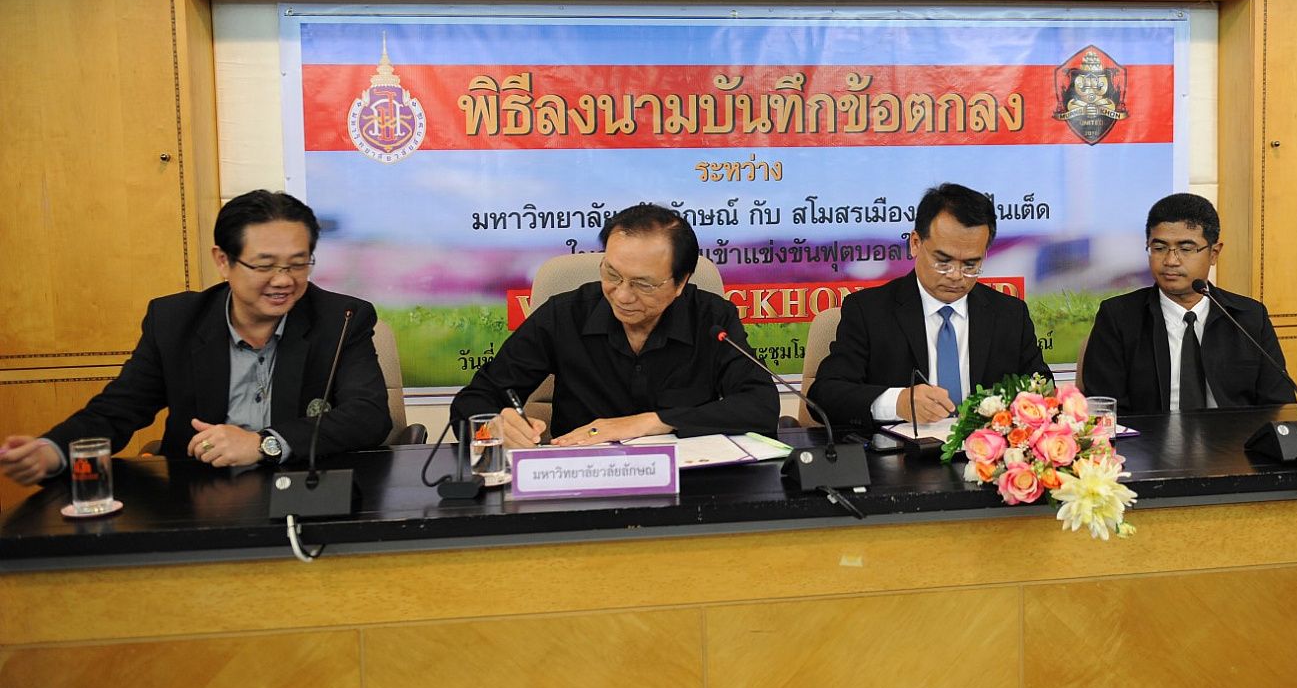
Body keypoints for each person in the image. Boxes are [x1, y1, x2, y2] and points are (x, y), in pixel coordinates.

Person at [0, 190, 392, 487]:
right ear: (223, 261)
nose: (283, 280)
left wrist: (263, 443)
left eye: (298, 264)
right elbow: (116, 412)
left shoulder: (341, 319)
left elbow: (368, 415)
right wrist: (51, 452)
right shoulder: (175, 321)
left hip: (304, 491)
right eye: (264, 265)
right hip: (199, 494)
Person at [451, 204, 779, 447]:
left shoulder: (711, 318)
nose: (622, 295)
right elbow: (472, 402)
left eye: (643, 284)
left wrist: (651, 423)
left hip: (689, 483)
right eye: (611, 274)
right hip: (582, 483)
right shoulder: (564, 315)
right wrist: (494, 427)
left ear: (680, 282)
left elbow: (761, 406)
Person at [809, 183, 1050, 427]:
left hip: (983, 449)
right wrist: (897, 402)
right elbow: (825, 395)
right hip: (901, 449)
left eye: (970, 264)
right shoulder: (869, 311)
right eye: (943, 261)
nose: (956, 275)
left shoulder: (1010, 314)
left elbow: (1042, 388)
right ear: (915, 243)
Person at [1079, 192, 1295, 414]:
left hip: (1235, 436)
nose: (1170, 260)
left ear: (1214, 253)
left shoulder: (1248, 317)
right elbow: (1105, 410)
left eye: (1186, 249)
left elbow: (1278, 404)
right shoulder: (1119, 317)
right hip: (1147, 437)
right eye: (1159, 248)